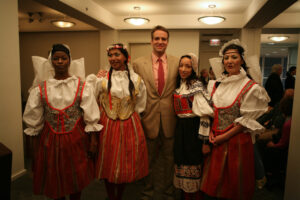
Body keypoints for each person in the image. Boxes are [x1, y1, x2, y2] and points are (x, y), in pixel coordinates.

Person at [23, 44, 102, 200]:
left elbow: (91, 114)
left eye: (63, 58)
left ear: (69, 61)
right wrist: (32, 147)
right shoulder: (41, 88)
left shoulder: (81, 86)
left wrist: (93, 141)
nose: (60, 61)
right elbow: (33, 119)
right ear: (51, 62)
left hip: (76, 138)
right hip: (50, 139)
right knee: (54, 175)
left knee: (75, 174)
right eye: (56, 58)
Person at [199, 39, 270, 200]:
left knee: (233, 187)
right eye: (226, 57)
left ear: (242, 60)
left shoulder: (250, 87)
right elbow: (213, 112)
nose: (229, 61)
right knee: (215, 185)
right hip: (216, 139)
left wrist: (224, 136)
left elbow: (246, 120)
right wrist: (211, 132)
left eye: (234, 57)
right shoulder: (217, 84)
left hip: (236, 142)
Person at [87, 43, 148, 200]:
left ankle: (119, 195)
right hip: (107, 125)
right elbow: (92, 101)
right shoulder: (101, 78)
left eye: (117, 54)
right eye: (110, 55)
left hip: (129, 125)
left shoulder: (136, 79)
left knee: (125, 163)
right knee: (108, 162)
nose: (113, 58)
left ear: (126, 57)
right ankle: (110, 196)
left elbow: (140, 105)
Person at [132, 25, 179, 200]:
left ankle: (168, 191)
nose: (160, 42)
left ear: (168, 41)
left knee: (169, 159)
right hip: (147, 117)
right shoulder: (137, 63)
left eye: (163, 39)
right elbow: (130, 87)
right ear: (151, 41)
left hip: (170, 119)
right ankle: (147, 191)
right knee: (148, 159)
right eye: (157, 38)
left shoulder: (177, 62)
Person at [173, 53, 212, 200]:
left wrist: (205, 141)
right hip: (180, 129)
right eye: (181, 65)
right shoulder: (179, 84)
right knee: (181, 166)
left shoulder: (196, 86)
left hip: (193, 130)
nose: (183, 69)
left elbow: (205, 115)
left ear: (193, 68)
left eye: (187, 66)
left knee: (193, 167)